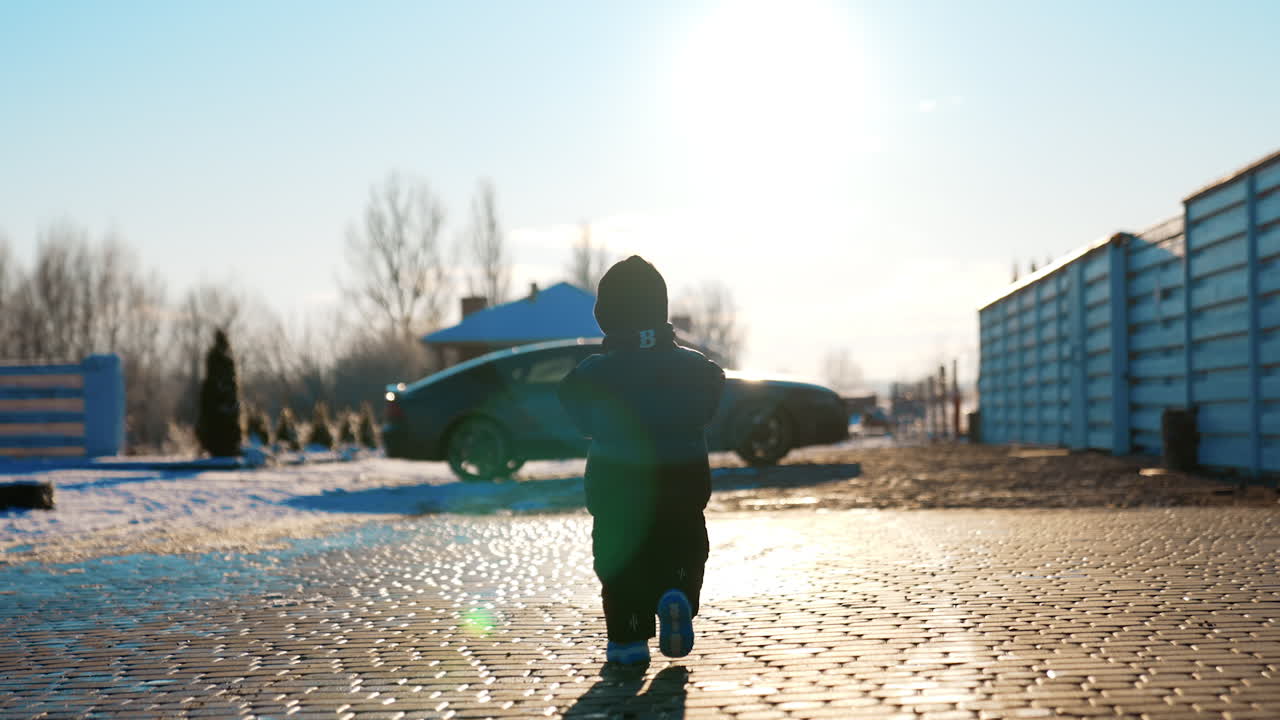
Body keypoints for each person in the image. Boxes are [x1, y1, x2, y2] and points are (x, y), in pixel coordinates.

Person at [559, 256, 726, 668]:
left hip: (618, 483)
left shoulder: (596, 371)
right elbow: (711, 397)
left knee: (620, 558)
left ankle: (628, 637)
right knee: (685, 544)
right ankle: (678, 594)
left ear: (607, 318)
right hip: (682, 479)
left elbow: (574, 409)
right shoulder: (693, 367)